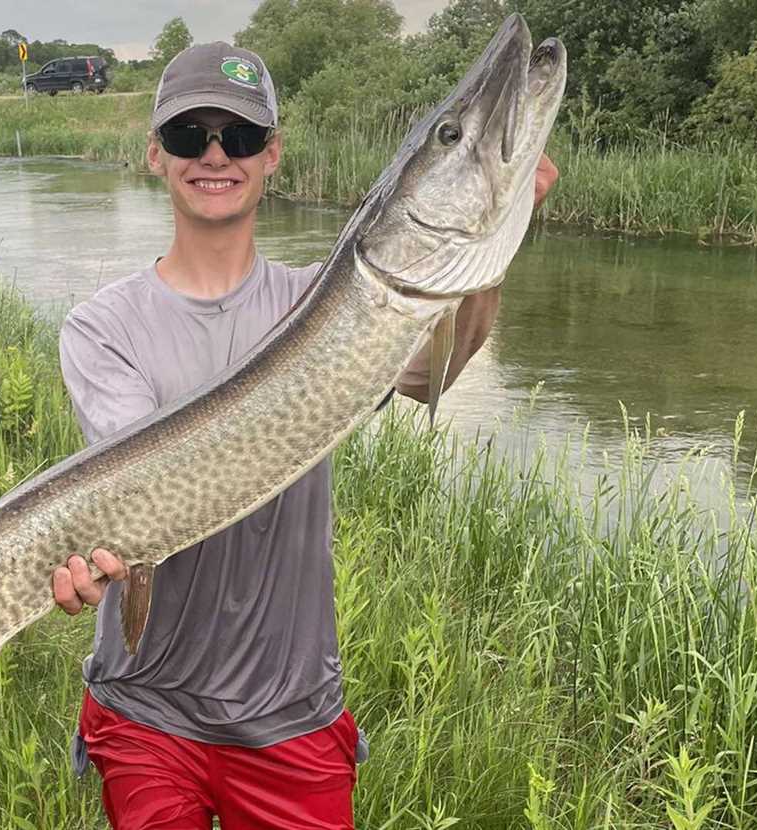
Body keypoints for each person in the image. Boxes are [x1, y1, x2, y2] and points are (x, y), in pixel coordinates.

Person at [52, 43, 558, 830]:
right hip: (144, 710)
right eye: (190, 135)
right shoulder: (101, 327)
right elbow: (136, 488)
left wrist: (486, 258)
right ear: (155, 155)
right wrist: (93, 549)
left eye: (241, 137)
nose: (215, 155)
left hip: (291, 713)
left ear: (273, 156)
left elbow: (429, 373)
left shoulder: (325, 301)